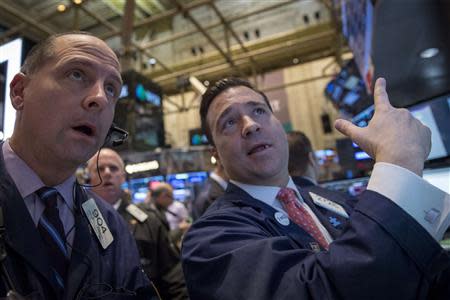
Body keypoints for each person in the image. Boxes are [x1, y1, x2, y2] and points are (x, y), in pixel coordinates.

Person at [181, 77, 450, 299]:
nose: (250, 125)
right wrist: (398, 164)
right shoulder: (210, 239)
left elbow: (415, 271)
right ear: (215, 153)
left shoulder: (327, 197)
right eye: (229, 122)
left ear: (279, 126)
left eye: (259, 111)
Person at [0, 32, 153, 299]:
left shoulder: (111, 225)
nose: (100, 98)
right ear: (19, 92)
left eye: (111, 89)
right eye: (77, 74)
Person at [87, 148, 189, 300]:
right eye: (99, 169)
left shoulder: (149, 220)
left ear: (122, 177)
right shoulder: (75, 220)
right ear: (89, 177)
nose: (107, 172)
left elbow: (172, 274)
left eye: (113, 168)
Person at [149, 183, 191, 251]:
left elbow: (187, 220)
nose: (172, 200)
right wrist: (179, 229)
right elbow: (165, 239)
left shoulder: (161, 209)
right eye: (171, 197)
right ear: (163, 196)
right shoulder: (152, 213)